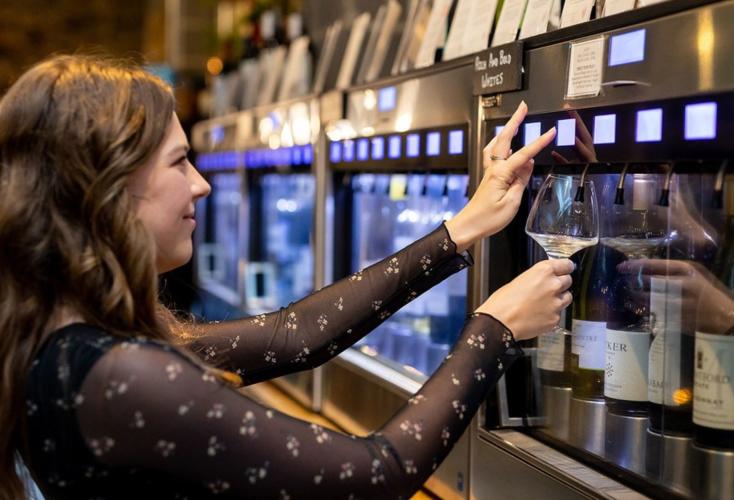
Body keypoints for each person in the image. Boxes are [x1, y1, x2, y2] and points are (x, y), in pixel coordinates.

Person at [0, 55, 572, 499]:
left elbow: (292, 335)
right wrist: (494, 329)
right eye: (179, 162)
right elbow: (375, 478)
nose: (202, 184)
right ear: (108, 187)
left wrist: (461, 229)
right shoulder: (118, 375)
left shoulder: (72, 343)